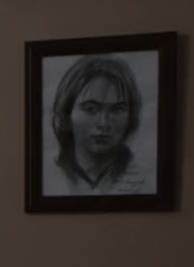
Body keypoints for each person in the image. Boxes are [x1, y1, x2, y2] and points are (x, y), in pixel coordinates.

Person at [46, 54, 151, 196]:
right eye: (91, 109)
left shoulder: (147, 181)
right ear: (66, 113)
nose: (104, 123)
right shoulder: (46, 177)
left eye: (117, 110)